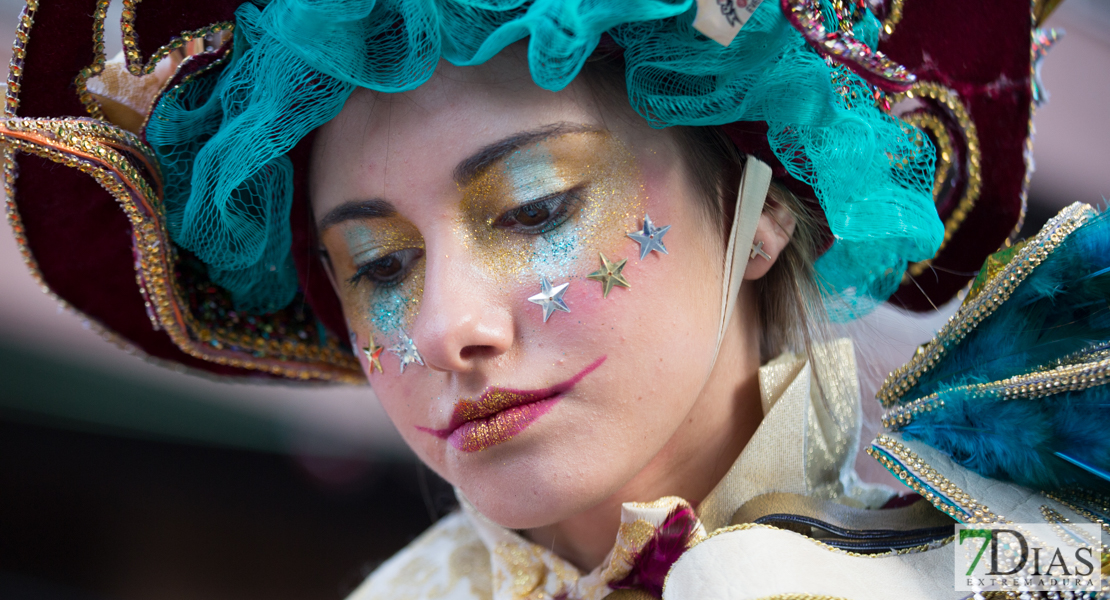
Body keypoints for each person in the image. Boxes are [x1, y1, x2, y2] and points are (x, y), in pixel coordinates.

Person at [4, 0, 1108, 598]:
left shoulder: (1026, 564)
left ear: (766, 206)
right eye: (381, 269)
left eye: (533, 209)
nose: (447, 331)